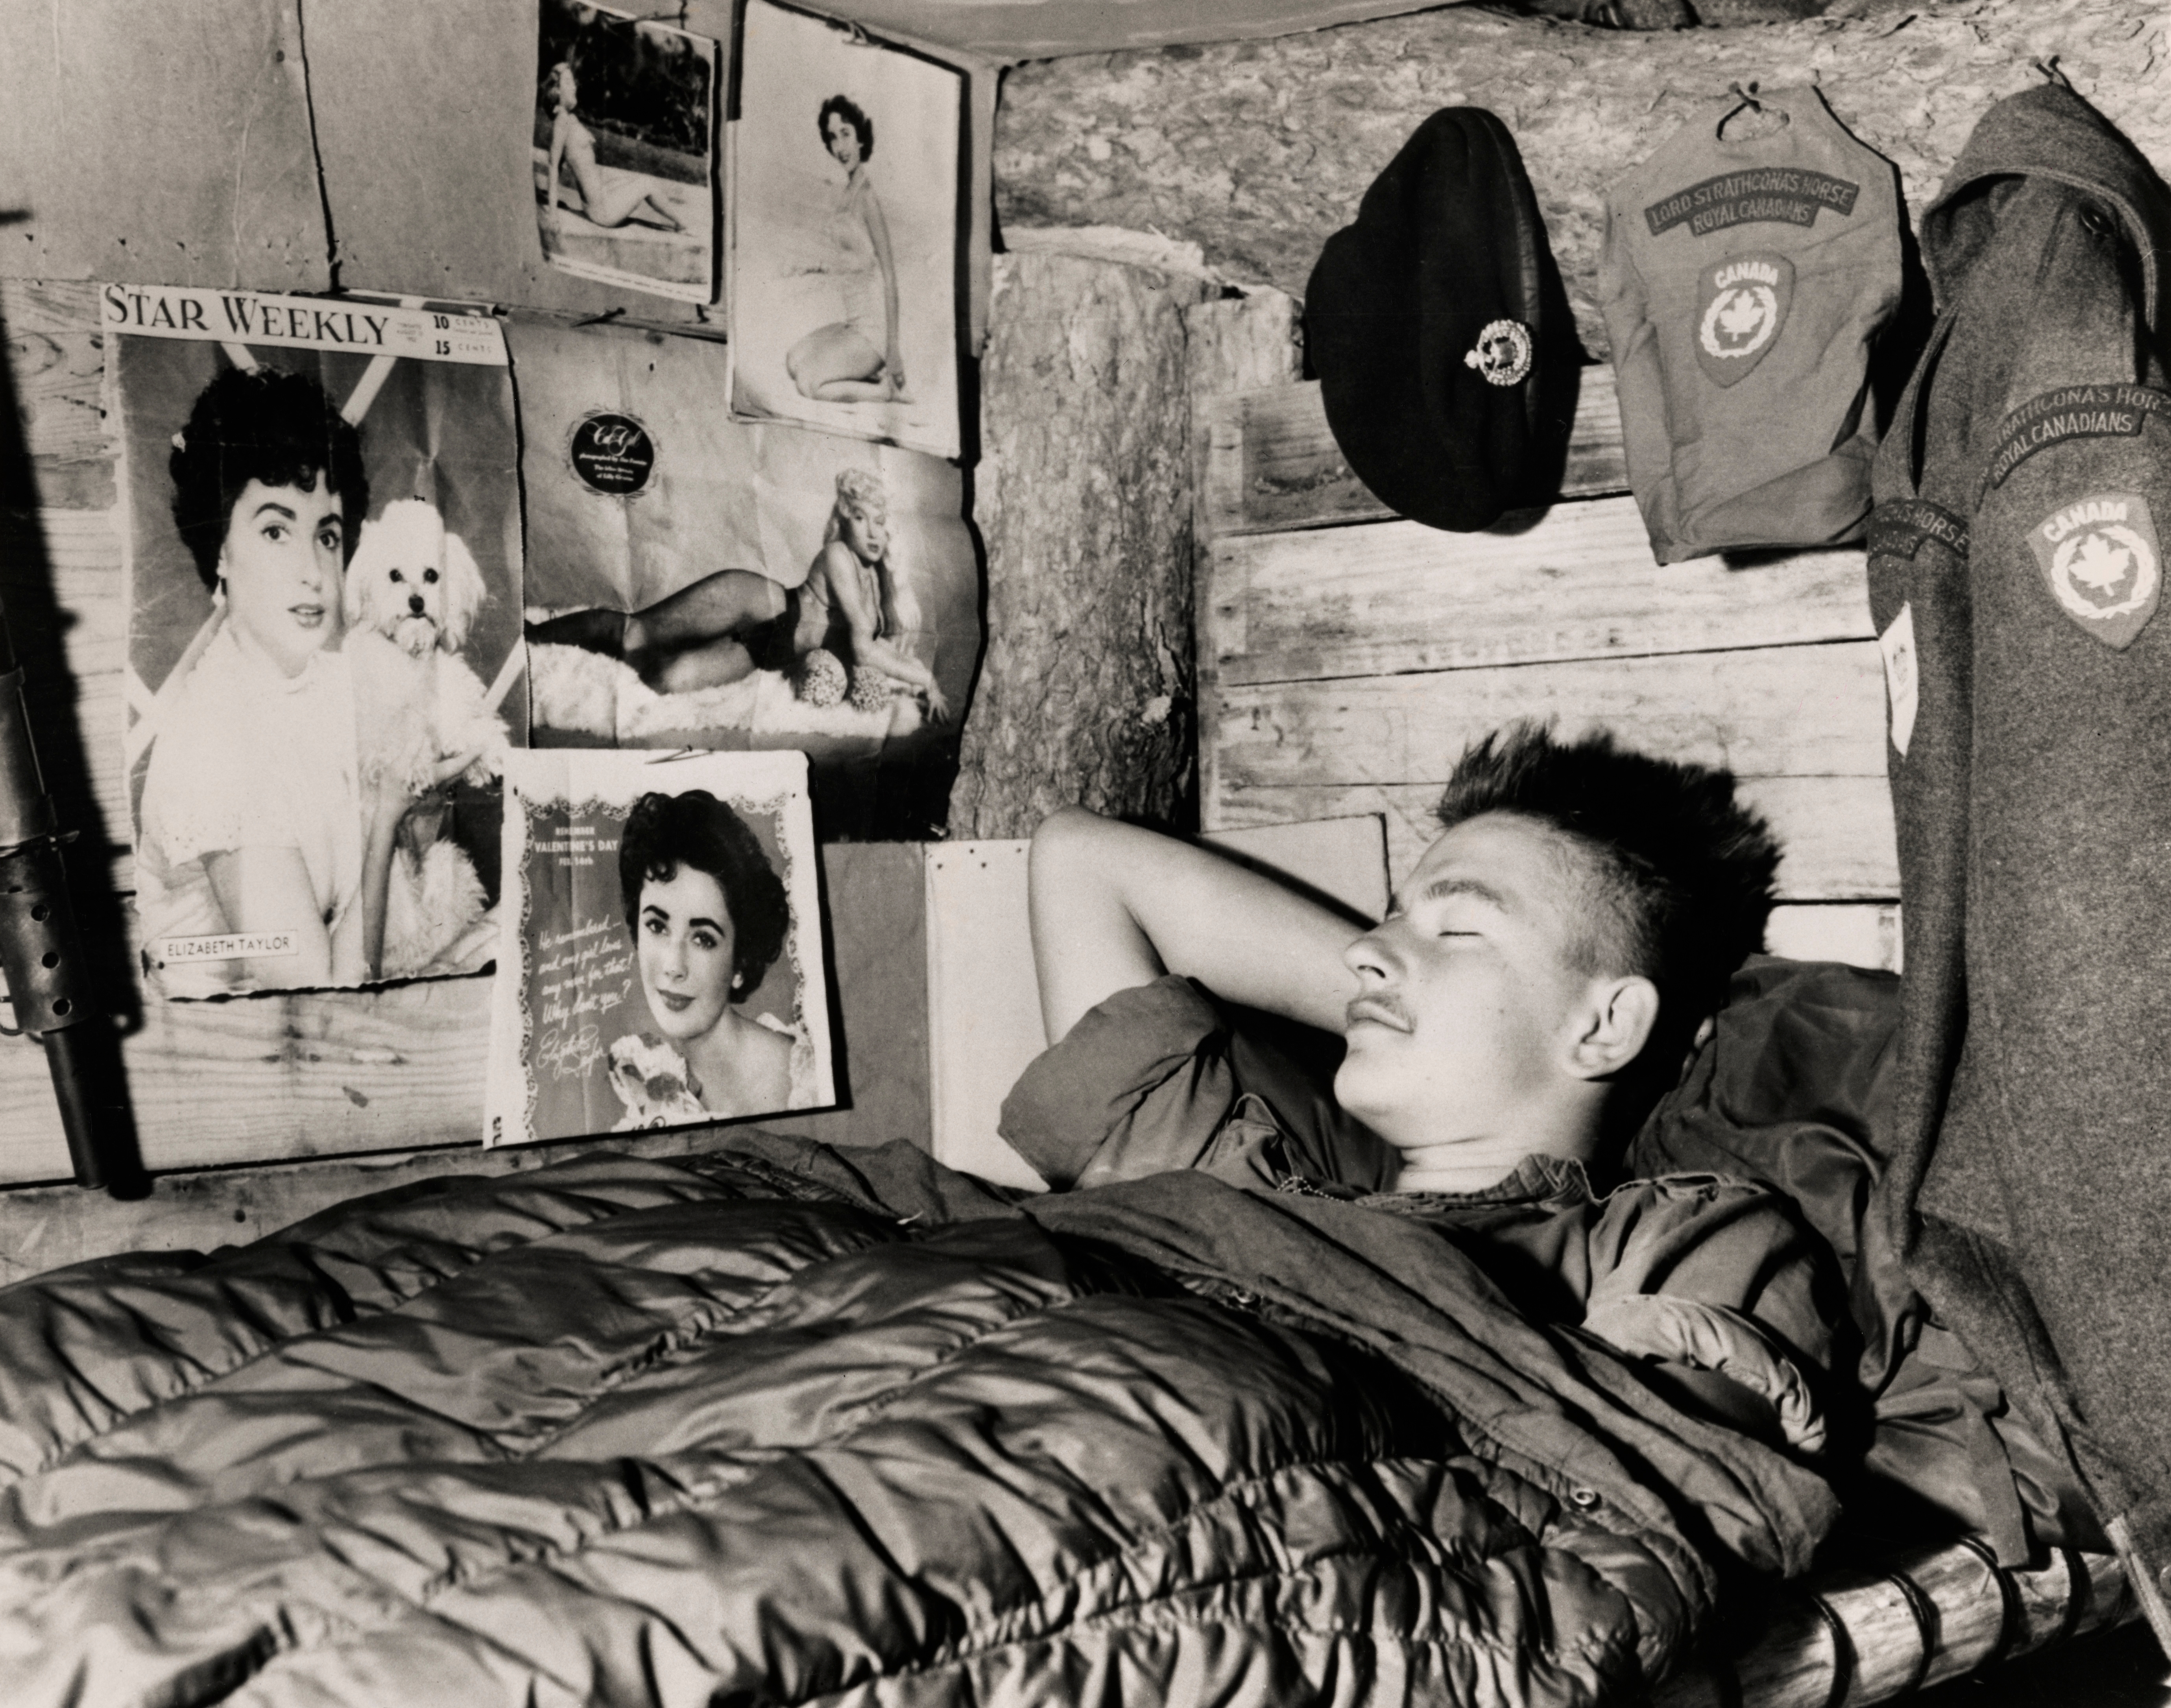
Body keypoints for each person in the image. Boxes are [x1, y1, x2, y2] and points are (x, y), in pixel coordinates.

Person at [1009, 722, 1832, 1450]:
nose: (1363, 950)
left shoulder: (1668, 1236)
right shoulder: (1242, 1179)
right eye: (1391, 917)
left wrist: (1419, 997)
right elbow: (1081, 858)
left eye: (1461, 927)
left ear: (1602, 1025)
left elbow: (1665, 1484)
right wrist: (1407, 990)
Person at [135, 365, 478, 994]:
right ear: (220, 547)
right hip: (244, 1057)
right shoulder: (210, 738)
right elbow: (319, 998)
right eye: (274, 530)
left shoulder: (330, 679)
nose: (313, 570)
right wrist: (386, 822)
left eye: (326, 535)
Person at [525, 469, 949, 719]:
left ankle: (587, 649)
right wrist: (923, 676)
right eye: (861, 518)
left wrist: (916, 677)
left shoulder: (871, 577)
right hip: (756, 600)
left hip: (771, 646)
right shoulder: (838, 555)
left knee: (666, 680)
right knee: (636, 634)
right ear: (844, 518)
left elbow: (872, 649)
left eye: (879, 521)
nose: (873, 532)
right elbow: (864, 648)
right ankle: (530, 638)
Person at [606, 789, 818, 1126]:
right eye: (657, 927)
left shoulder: (807, 1078)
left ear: (740, 963)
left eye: (704, 938)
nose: (673, 966)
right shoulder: (651, 1081)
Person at [785, 94, 909, 404]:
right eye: (833, 137)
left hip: (874, 333)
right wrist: (810, 268)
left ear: (861, 139)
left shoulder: (867, 197)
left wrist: (893, 350)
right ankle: (858, 371)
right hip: (853, 324)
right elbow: (849, 260)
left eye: (846, 134)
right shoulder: (846, 194)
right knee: (793, 360)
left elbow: (891, 277)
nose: (840, 147)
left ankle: (884, 392)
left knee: (809, 384)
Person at [541, 60, 686, 235]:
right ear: (556, 90)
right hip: (603, 211)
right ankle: (682, 224)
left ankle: (680, 222)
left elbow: (561, 163)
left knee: (635, 179)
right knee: (647, 184)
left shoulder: (570, 119)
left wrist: (550, 200)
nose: (574, 87)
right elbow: (553, 166)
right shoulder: (562, 121)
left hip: (599, 201)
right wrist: (553, 215)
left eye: (574, 82)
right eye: (568, 82)